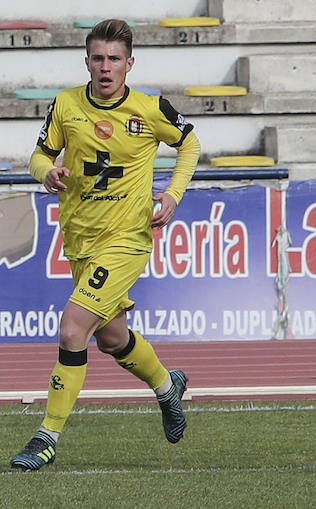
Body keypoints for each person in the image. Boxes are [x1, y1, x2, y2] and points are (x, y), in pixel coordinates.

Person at [10, 19, 202, 470]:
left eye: (114, 59)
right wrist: (47, 172)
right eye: (97, 58)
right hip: (79, 238)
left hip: (127, 239)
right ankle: (166, 385)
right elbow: (39, 154)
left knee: (73, 328)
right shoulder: (66, 104)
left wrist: (173, 194)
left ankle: (46, 436)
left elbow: (189, 144)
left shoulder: (151, 109)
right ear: (87, 62)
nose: (105, 67)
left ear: (129, 64)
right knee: (112, 338)